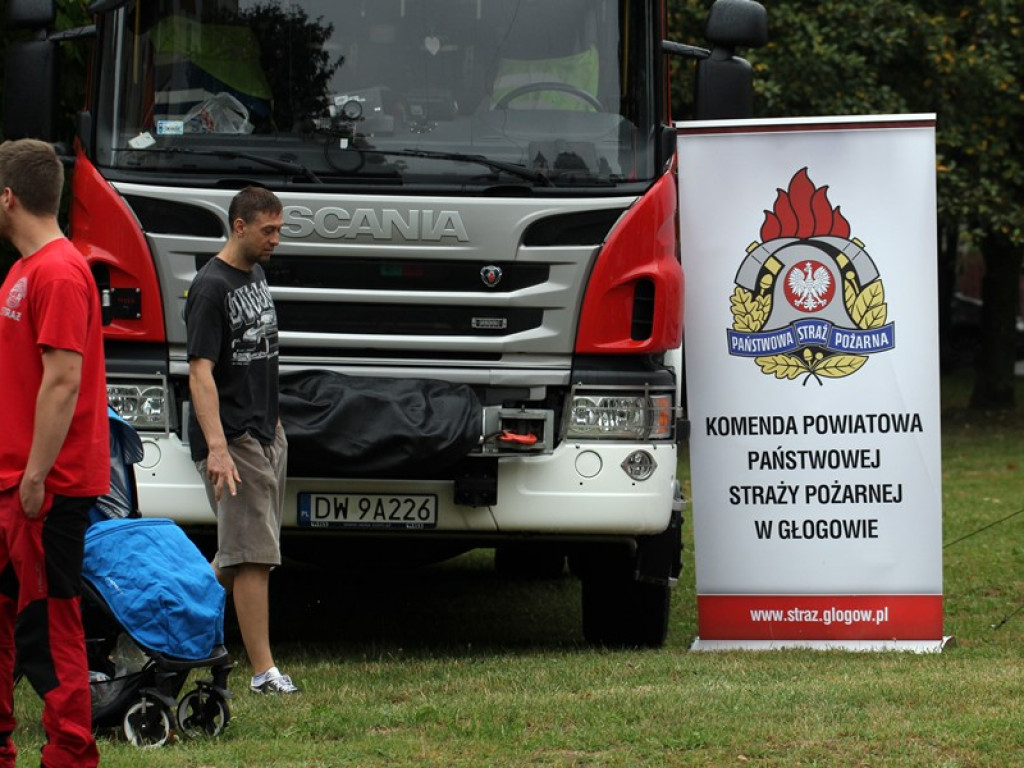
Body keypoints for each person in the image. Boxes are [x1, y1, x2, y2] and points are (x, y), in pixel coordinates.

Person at [0, 139, 108, 767]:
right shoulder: (21, 270)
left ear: (9, 197)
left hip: (44, 487)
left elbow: (63, 380)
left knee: (51, 629)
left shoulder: (61, 271)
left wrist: (35, 476)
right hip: (11, 480)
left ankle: (70, 755)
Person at [185, 185, 298, 695]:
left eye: (279, 229)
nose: (277, 239)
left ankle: (170, 626)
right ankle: (263, 673)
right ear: (239, 227)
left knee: (237, 553)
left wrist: (274, 427)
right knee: (254, 556)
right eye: (268, 230)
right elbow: (200, 374)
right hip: (233, 438)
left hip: (264, 432)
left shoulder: (255, 274)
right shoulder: (210, 288)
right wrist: (217, 447)